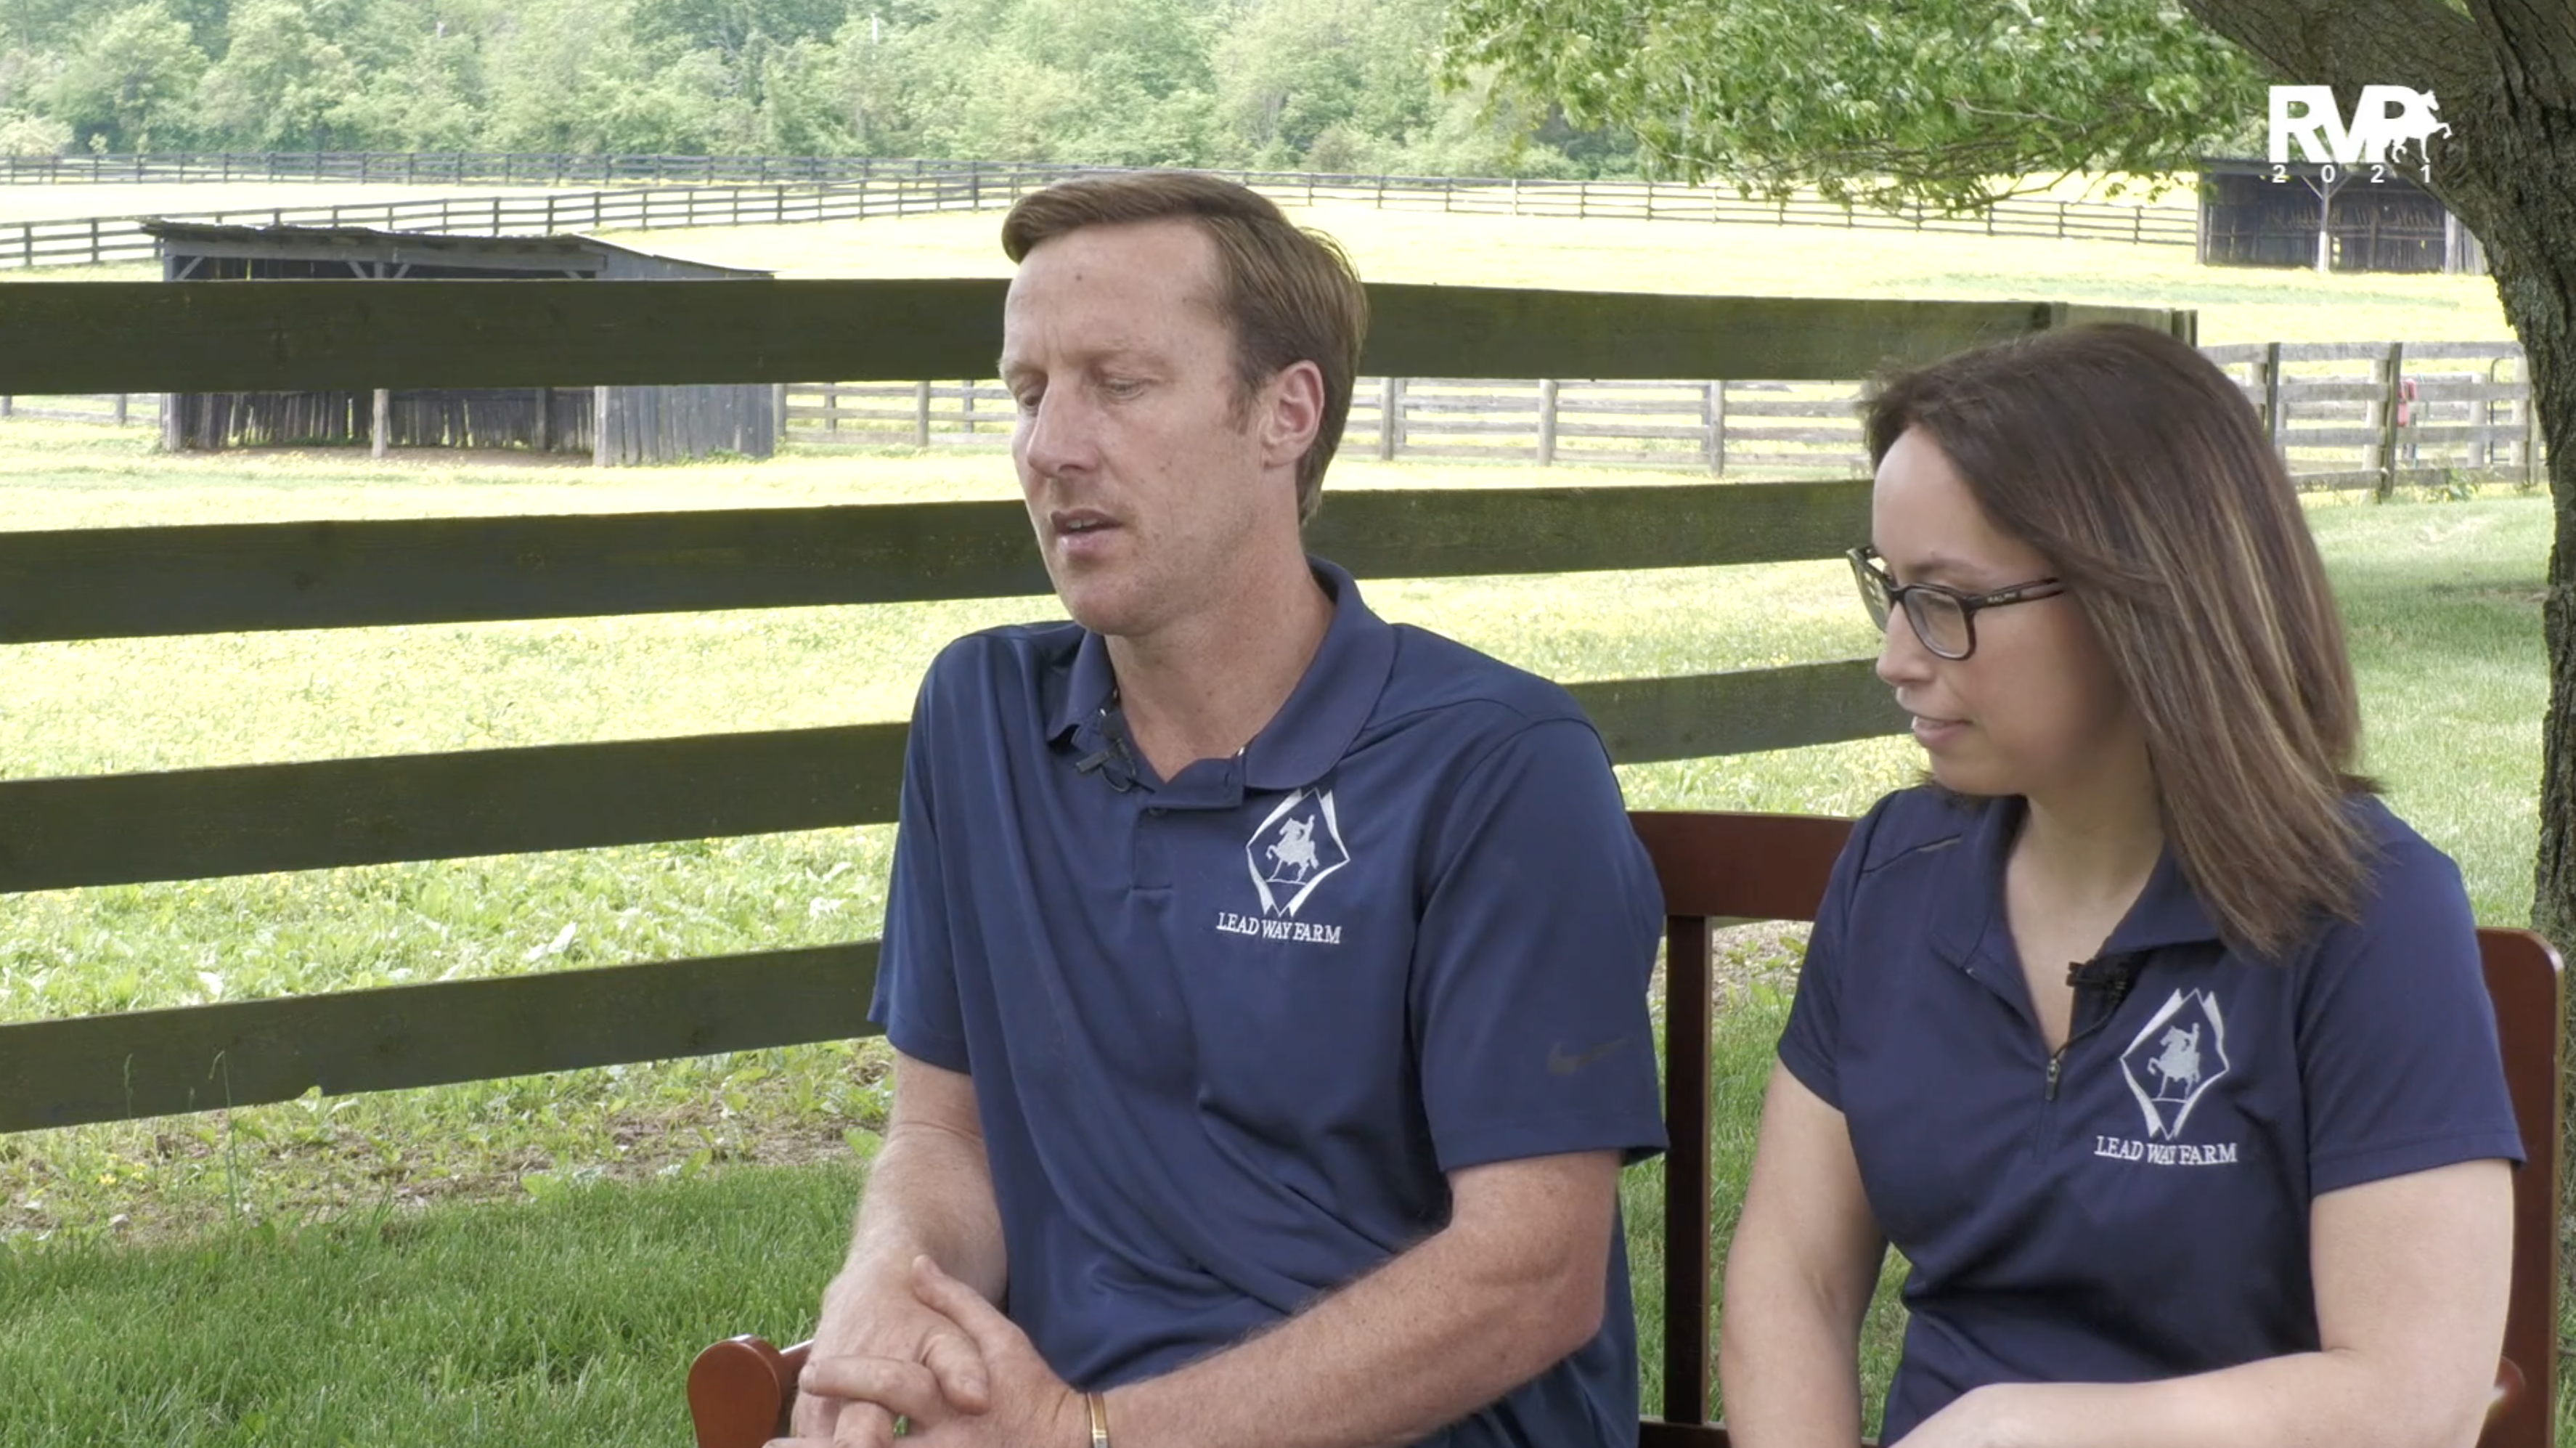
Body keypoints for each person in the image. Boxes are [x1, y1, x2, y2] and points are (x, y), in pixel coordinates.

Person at [776, 171, 1668, 1448]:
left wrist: (1095, 1434)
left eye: (1118, 384)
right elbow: (944, 1135)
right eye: (1028, 393)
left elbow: (1531, 1279)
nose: (1051, 446)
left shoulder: (1495, 763)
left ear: (1284, 413)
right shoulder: (981, 717)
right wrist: (890, 1285)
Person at [1717, 322, 2521, 1448]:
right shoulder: (1897, 872)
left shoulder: (2366, 913)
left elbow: (2410, 1397)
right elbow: (1791, 1280)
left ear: (2143, 600)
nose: (1895, 655)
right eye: (1891, 590)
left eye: (1946, 601)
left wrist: (2025, 1429)